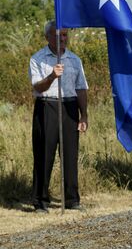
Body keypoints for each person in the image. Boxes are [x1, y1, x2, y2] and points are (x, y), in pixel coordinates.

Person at [28, 21, 88, 213]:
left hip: (70, 107)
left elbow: (81, 88)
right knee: (44, 154)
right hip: (47, 106)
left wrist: (84, 115)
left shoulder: (74, 59)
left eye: (64, 35)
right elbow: (37, 87)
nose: (62, 39)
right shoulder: (37, 59)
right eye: (57, 35)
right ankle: (40, 201)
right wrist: (52, 76)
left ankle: (72, 199)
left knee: (70, 155)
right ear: (47, 37)